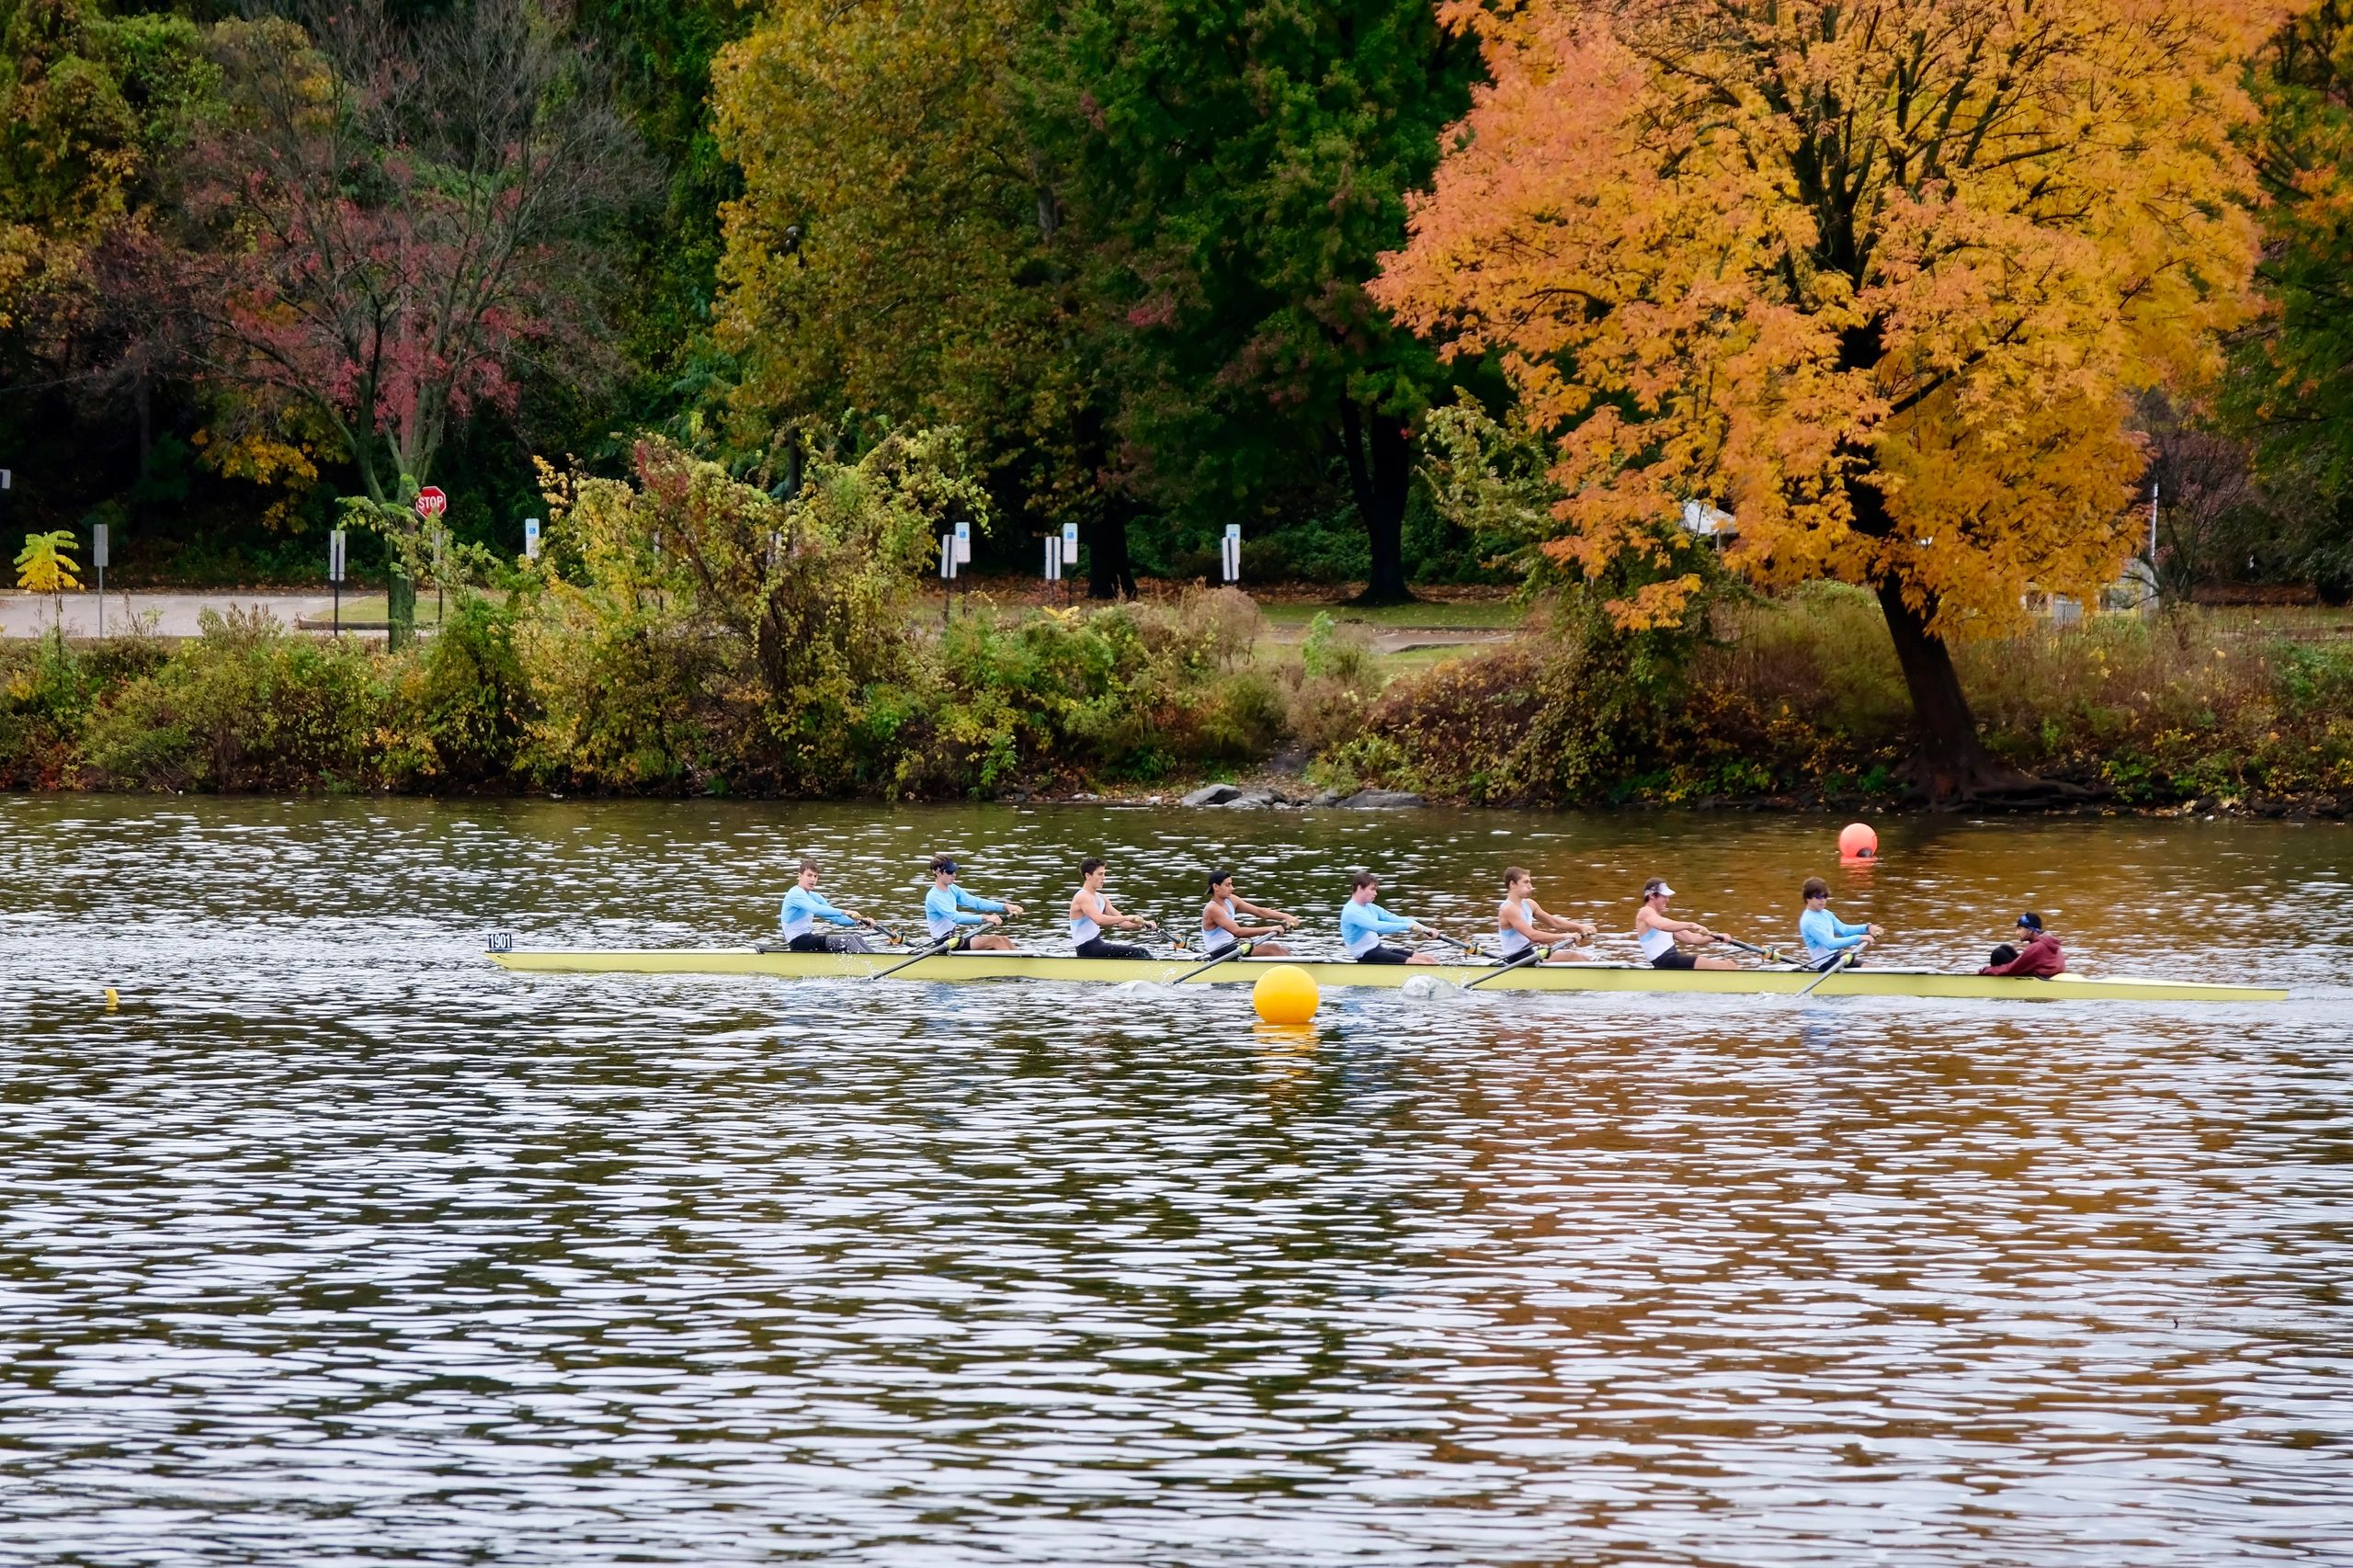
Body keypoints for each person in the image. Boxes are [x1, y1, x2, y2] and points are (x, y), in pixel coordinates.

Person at [1633, 878, 1739, 971]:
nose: (1667, 900)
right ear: (1652, 896)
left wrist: (1718, 937)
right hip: (1665, 962)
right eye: (1664, 896)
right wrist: (1692, 925)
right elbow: (1661, 925)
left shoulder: (1666, 922)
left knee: (1730, 964)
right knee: (1724, 966)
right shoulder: (1645, 912)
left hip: (1672, 962)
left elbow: (1694, 938)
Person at [1496, 867, 1597, 963]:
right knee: (1572, 956)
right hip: (1517, 958)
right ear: (1513, 884)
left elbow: (1554, 922)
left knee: (1584, 957)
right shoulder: (1508, 909)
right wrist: (1566, 936)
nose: (1530, 886)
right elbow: (1533, 936)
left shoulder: (1529, 904)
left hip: (1530, 952)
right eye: (1526, 882)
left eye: (1530, 882)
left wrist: (1581, 927)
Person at [923, 855, 1023, 951]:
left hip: (954, 938)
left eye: (954, 871)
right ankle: (1015, 967)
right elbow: (956, 918)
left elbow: (976, 902)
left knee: (1005, 939)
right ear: (938, 873)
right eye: (950, 872)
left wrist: (1005, 906)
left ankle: (1022, 961)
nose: (954, 875)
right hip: (944, 943)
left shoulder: (953, 889)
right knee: (996, 941)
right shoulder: (934, 897)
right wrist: (986, 917)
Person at [1341, 872, 1441, 965]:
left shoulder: (1371, 907)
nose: (1375, 893)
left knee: (1429, 960)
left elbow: (1398, 919)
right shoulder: (1352, 911)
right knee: (1421, 964)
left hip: (1379, 950)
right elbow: (1377, 927)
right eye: (1372, 889)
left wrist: (1425, 929)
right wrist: (1408, 927)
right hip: (1366, 956)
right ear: (1360, 888)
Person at [778, 858, 873, 953]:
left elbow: (835, 917)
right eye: (809, 875)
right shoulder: (795, 893)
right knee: (847, 940)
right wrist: (846, 912)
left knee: (856, 937)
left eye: (815, 876)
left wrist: (861, 922)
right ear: (800, 876)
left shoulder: (814, 896)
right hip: (798, 943)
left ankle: (877, 962)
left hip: (808, 938)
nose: (812, 879)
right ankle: (870, 965)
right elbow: (816, 909)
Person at [1069, 857, 1156, 959]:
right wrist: (1127, 917)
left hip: (1097, 945)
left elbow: (1124, 924)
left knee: (1142, 952)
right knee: (1137, 952)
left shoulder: (1102, 898)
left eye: (1104, 874)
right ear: (1088, 876)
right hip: (1086, 949)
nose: (1104, 878)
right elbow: (1099, 920)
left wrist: (1145, 924)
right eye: (1100, 874)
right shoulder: (1083, 897)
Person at [1201, 869, 1299, 957]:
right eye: (1228, 885)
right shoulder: (1212, 909)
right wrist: (1270, 929)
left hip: (1231, 945)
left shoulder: (1232, 900)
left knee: (1284, 950)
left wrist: (1287, 917)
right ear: (1216, 886)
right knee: (1273, 949)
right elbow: (1238, 932)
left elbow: (1260, 911)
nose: (1232, 888)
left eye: (1231, 884)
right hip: (1219, 951)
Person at [1797, 876, 1882, 971]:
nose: (1823, 900)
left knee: (1872, 967)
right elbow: (1830, 944)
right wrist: (1860, 938)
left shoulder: (1826, 914)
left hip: (1836, 958)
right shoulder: (1809, 921)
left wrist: (1867, 928)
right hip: (1825, 964)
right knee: (1868, 969)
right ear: (1808, 899)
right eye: (1818, 897)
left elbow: (1844, 930)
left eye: (1825, 896)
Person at [1981, 912, 2064, 977]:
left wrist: (1985, 970)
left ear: (2030, 930)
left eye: (2020, 928)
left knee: (1998, 954)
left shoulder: (2036, 947)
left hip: (2040, 978)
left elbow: (2010, 969)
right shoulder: (2049, 940)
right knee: (2005, 949)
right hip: (2047, 974)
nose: (2017, 932)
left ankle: (1998, 985)